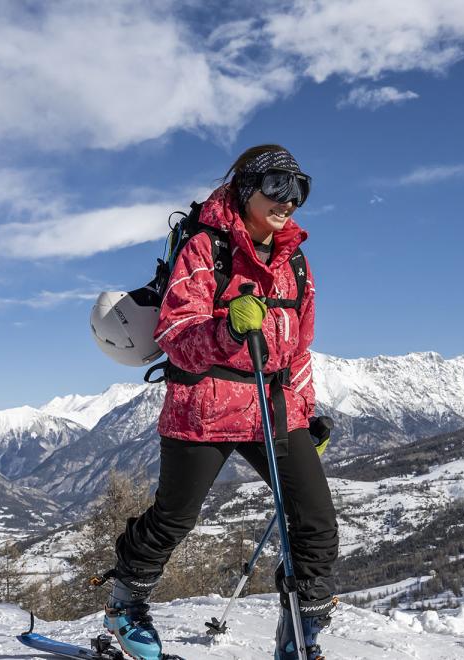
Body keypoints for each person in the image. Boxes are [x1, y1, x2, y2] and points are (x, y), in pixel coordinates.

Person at [102, 145, 339, 660]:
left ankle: (300, 634)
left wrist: (304, 413)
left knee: (316, 522)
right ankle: (126, 605)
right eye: (276, 186)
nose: (288, 200)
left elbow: (299, 349)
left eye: (299, 190)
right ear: (248, 188)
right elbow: (175, 334)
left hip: (271, 407)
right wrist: (228, 329)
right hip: (203, 410)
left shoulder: (296, 262)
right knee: (174, 517)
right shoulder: (206, 247)